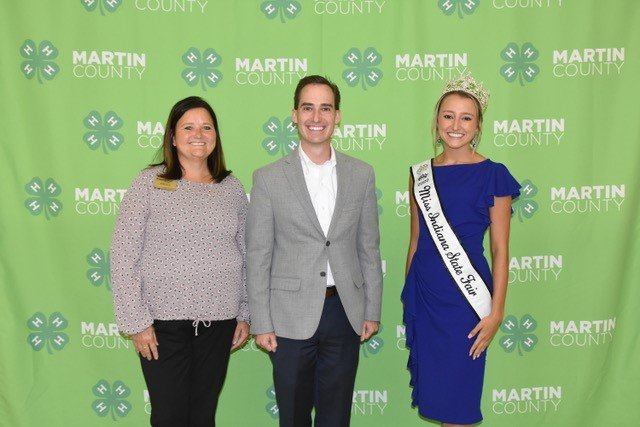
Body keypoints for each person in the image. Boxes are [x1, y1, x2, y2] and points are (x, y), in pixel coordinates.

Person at [246, 75, 383, 427]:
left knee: (336, 417)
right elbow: (259, 254)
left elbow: (368, 247)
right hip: (288, 315)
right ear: (294, 114)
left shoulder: (362, 174)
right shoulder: (268, 178)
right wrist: (260, 321)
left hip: (345, 312)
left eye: (326, 108)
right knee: (292, 417)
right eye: (308, 107)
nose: (316, 117)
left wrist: (372, 309)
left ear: (337, 116)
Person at [110, 96, 250, 426]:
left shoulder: (231, 188)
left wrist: (245, 312)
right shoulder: (148, 183)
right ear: (173, 137)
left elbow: (247, 254)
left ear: (216, 136)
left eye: (206, 127)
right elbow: (124, 252)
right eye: (188, 127)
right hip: (161, 325)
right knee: (170, 416)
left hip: (220, 322)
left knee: (203, 416)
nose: (198, 134)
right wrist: (136, 321)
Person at [402, 74, 520, 426]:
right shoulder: (419, 174)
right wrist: (411, 294)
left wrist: (496, 312)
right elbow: (415, 240)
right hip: (426, 296)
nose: (456, 125)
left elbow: (500, 249)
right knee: (438, 401)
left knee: (459, 403)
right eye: (448, 116)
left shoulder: (493, 174)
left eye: (466, 117)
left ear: (478, 125)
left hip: (466, 303)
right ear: (436, 122)